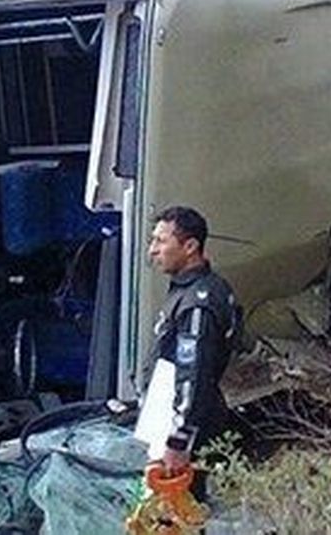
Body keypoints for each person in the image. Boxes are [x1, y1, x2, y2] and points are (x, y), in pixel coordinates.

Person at [143, 206, 242, 491]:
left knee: (175, 516)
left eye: (161, 241)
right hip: (168, 417)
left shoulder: (199, 302)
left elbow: (193, 376)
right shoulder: (189, 290)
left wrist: (178, 441)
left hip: (187, 429)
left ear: (190, 246)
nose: (152, 250)